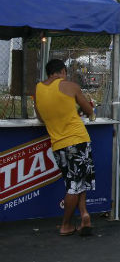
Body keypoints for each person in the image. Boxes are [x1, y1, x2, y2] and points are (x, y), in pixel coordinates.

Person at [33, 59, 95, 236]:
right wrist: (86, 111)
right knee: (74, 185)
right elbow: (88, 111)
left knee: (76, 180)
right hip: (78, 140)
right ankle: (66, 225)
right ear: (62, 71)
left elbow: (41, 117)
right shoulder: (70, 86)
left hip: (58, 144)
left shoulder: (38, 89)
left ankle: (84, 215)